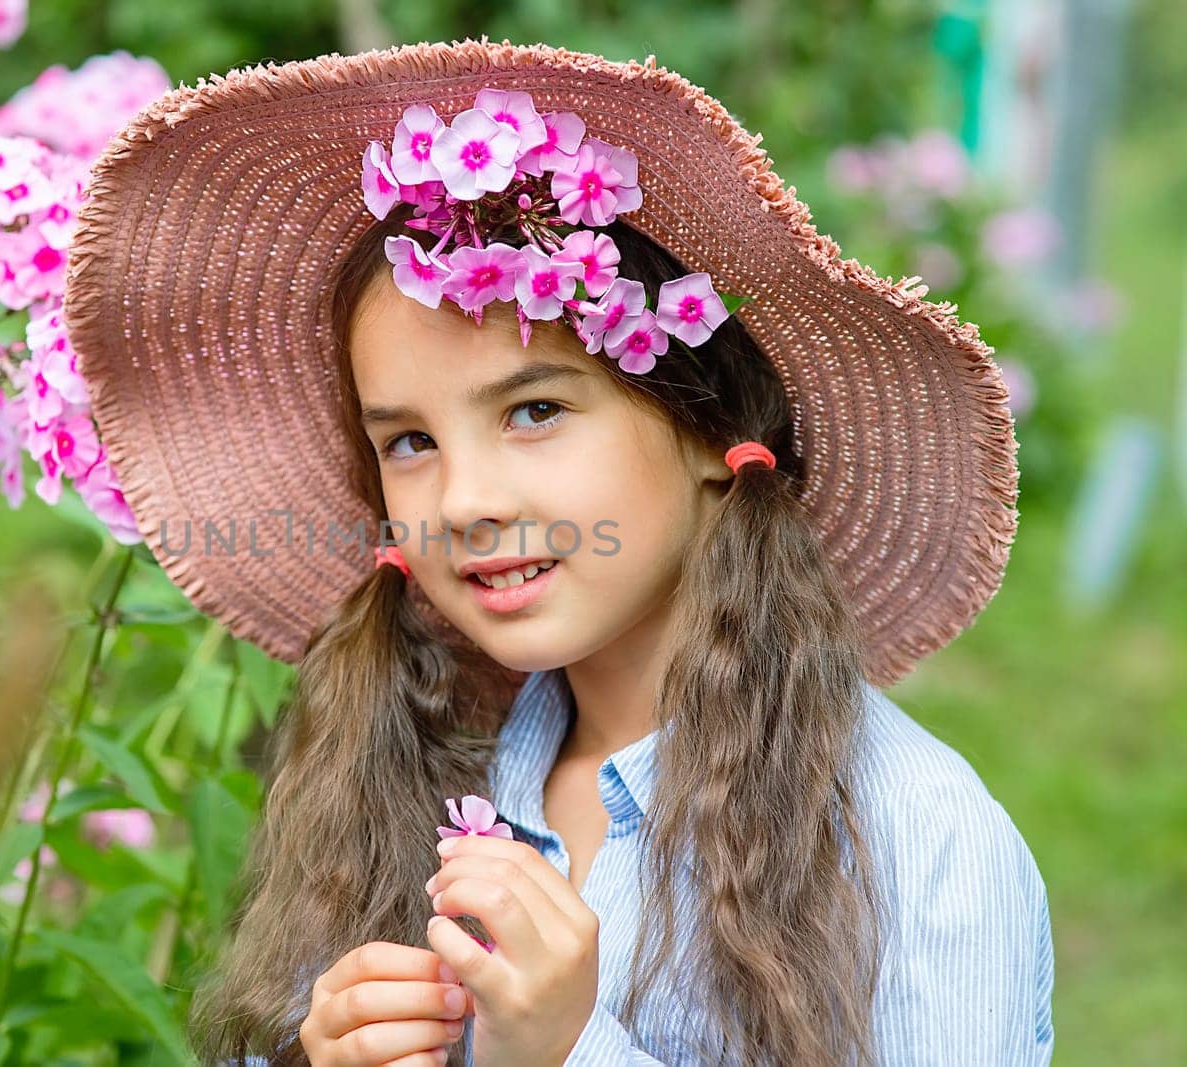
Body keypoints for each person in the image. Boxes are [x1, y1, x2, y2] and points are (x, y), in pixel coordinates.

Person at [64, 38, 1054, 1067]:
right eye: (408, 441)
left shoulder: (911, 840)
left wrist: (571, 1049)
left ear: (713, 431)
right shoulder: (417, 772)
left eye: (534, 409)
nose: (466, 501)